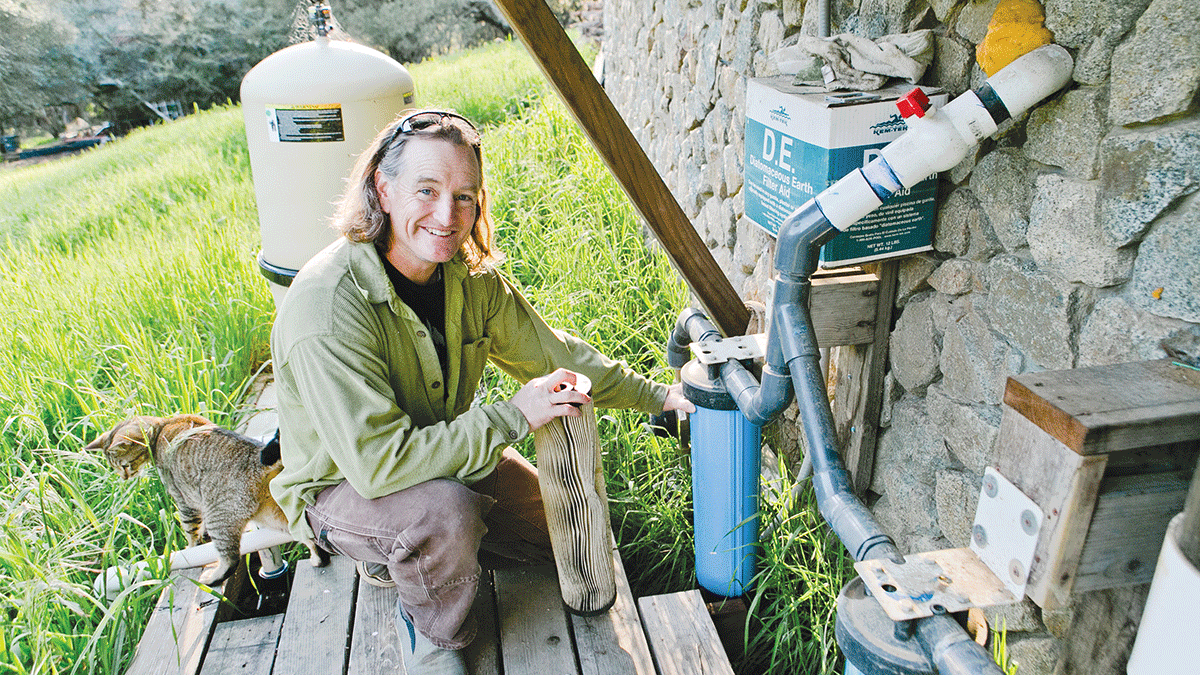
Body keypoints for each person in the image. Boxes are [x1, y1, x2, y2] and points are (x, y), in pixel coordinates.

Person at [269, 109, 694, 674]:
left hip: (438, 455)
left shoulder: (469, 280)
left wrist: (661, 397)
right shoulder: (326, 306)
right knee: (445, 514)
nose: (448, 216)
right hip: (344, 486)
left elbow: (559, 359)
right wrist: (513, 416)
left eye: (465, 196)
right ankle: (432, 634)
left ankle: (413, 556)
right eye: (427, 189)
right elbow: (377, 465)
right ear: (383, 188)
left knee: (558, 532)